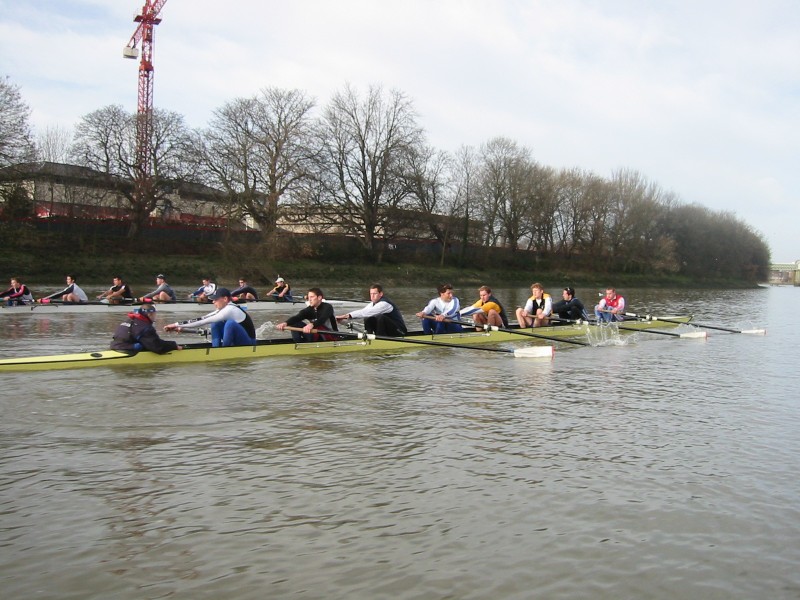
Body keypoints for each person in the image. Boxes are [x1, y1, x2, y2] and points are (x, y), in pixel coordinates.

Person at [165, 287, 256, 347]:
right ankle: (216, 349)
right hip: (238, 340)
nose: (213, 302)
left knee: (230, 324)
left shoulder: (230, 309)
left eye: (216, 299)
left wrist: (175, 324)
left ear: (225, 299)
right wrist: (182, 328)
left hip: (249, 343)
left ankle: (224, 351)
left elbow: (203, 321)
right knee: (215, 323)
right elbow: (203, 319)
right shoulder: (223, 310)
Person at [336, 284, 408, 337]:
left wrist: (345, 316)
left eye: (374, 294)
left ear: (381, 294)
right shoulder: (371, 304)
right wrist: (342, 320)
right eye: (371, 294)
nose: (372, 296)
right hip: (389, 331)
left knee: (380, 317)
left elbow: (365, 312)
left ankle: (380, 339)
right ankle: (369, 336)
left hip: (400, 332)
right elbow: (362, 313)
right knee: (367, 318)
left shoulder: (385, 304)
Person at [111, 304, 182, 354]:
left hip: (114, 346)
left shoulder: (129, 320)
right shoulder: (145, 327)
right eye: (154, 314)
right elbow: (157, 347)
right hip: (127, 350)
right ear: (149, 315)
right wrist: (173, 345)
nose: (155, 317)